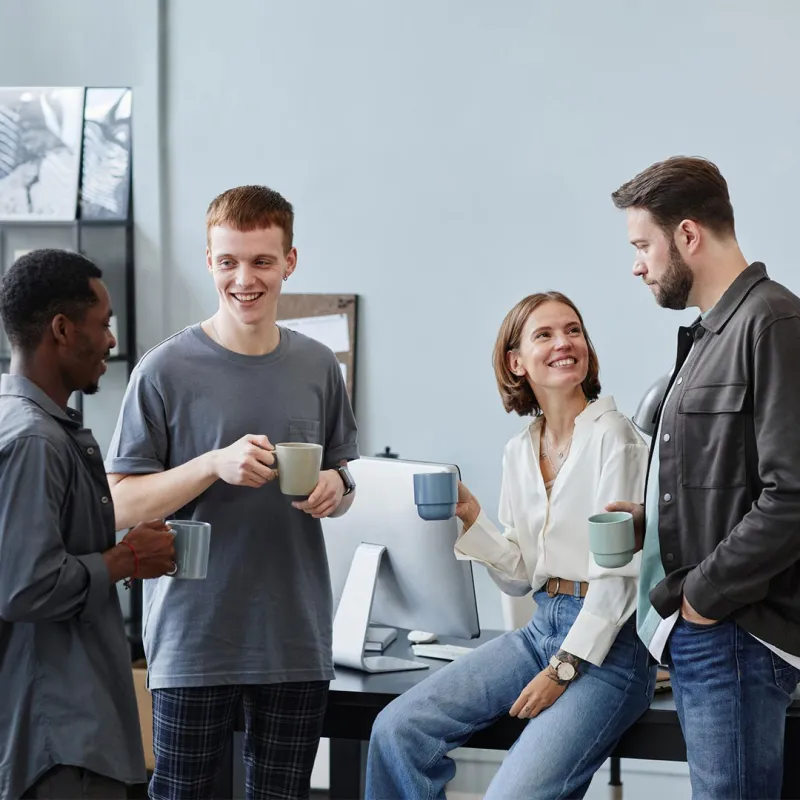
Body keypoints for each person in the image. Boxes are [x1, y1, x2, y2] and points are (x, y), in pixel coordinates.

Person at [105, 185, 360, 800]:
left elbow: (345, 476)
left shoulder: (320, 365)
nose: (244, 279)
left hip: (295, 637)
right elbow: (119, 503)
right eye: (229, 262)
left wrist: (337, 486)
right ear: (210, 261)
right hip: (195, 639)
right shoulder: (162, 370)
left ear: (289, 262)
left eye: (262, 262)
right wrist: (212, 464)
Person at [366, 292, 655, 800]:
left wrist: (562, 668)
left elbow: (618, 581)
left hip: (611, 649)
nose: (565, 342)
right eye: (544, 335)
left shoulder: (618, 438)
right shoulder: (519, 451)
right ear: (516, 363)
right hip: (541, 627)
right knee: (398, 730)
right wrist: (472, 518)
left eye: (573, 330)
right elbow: (523, 574)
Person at [608, 156, 800, 799]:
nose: (637, 265)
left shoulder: (772, 323)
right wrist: (653, 526)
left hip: (735, 636)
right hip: (706, 637)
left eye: (643, 246)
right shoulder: (711, 334)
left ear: (687, 235)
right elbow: (725, 483)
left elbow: (792, 497)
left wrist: (702, 600)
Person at [0, 249, 176, 800]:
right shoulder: (33, 441)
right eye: (103, 325)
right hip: (61, 742)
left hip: (74, 729)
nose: (111, 341)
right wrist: (127, 559)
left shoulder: (35, 427)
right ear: (60, 329)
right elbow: (26, 587)